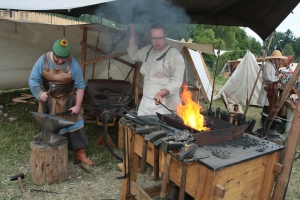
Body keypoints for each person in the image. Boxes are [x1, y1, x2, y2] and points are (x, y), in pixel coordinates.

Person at [28, 38, 93, 165]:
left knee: (75, 125)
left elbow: (80, 86)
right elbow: (33, 80)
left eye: (64, 59)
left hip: (69, 99)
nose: (60, 61)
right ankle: (52, 155)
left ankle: (80, 153)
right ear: (53, 53)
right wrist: (40, 93)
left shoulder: (73, 63)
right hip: (49, 100)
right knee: (49, 127)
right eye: (58, 58)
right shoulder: (43, 60)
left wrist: (77, 106)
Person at [127, 23, 185, 115]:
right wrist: (132, 34)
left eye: (160, 38)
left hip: (166, 106)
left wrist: (161, 93)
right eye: (154, 38)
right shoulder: (147, 51)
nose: (157, 41)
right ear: (150, 37)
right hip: (146, 105)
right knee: (141, 128)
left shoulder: (174, 55)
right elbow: (132, 54)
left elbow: (177, 81)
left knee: (162, 129)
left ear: (165, 36)